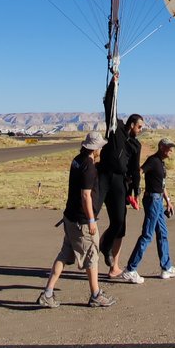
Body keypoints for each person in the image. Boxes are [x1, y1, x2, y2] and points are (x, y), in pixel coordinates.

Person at [37, 132, 116, 309]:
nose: (101, 149)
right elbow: (86, 195)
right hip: (82, 221)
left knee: (65, 254)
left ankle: (48, 293)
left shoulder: (77, 160)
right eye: (100, 147)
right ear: (94, 148)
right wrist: (91, 220)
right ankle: (95, 295)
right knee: (92, 255)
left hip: (70, 218)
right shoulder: (89, 167)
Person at [98, 76, 144, 278]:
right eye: (140, 127)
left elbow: (134, 170)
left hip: (119, 182)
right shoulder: (115, 128)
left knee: (119, 223)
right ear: (132, 124)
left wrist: (135, 193)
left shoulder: (136, 145)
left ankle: (109, 255)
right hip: (102, 177)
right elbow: (109, 106)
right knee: (88, 214)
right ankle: (74, 252)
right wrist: (113, 84)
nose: (141, 131)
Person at [120, 138, 175, 283]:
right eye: (169, 147)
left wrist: (168, 201)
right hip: (152, 200)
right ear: (161, 147)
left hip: (159, 201)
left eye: (172, 148)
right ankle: (130, 269)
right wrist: (130, 185)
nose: (171, 150)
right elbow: (139, 172)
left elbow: (162, 185)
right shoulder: (153, 160)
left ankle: (166, 268)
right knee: (147, 235)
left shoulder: (161, 163)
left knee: (163, 233)